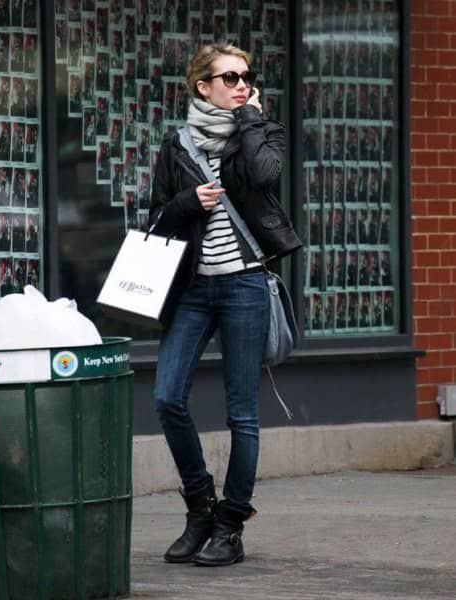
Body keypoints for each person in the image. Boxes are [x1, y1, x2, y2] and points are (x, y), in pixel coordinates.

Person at [148, 43, 300, 567]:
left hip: (244, 287)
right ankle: (199, 509)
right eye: (229, 77)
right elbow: (157, 219)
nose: (240, 83)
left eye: (246, 77)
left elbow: (264, 178)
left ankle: (230, 526)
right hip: (192, 289)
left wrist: (250, 117)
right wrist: (188, 203)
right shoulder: (178, 144)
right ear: (202, 86)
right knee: (167, 397)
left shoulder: (263, 131)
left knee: (243, 414)